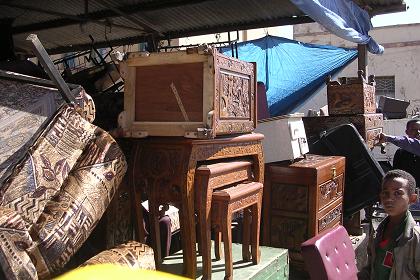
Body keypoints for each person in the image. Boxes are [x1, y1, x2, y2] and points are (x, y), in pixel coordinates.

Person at [358, 170, 420, 279]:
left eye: (398, 193)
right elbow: (371, 268)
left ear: (412, 199)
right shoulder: (377, 230)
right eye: (385, 193)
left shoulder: (415, 238)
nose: (389, 198)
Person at [393, 119, 420, 189]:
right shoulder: (400, 152)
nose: (418, 132)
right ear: (407, 132)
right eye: (414, 130)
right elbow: (396, 174)